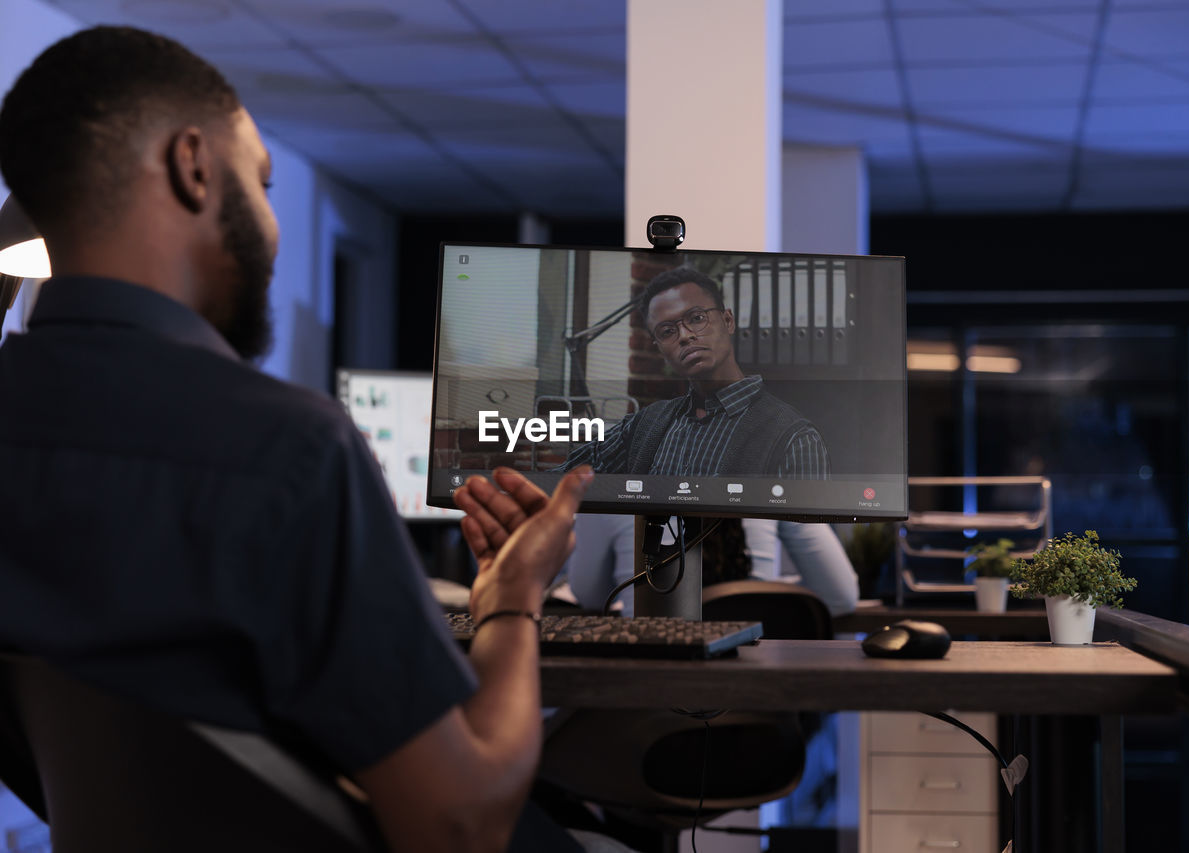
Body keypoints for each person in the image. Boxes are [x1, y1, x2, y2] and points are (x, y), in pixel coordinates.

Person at [0, 26, 621, 853]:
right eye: (260, 181)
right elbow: (460, 825)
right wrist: (515, 595)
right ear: (193, 165)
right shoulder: (287, 450)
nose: (274, 225)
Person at [556, 267, 830, 479]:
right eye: (667, 332)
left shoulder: (793, 437)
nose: (685, 336)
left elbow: (807, 536)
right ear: (659, 348)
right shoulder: (644, 426)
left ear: (728, 321)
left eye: (696, 318)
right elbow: (561, 480)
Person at [567, 514, 859, 617]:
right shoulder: (771, 477)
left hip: (647, 708)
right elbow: (840, 595)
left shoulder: (616, 480)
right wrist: (768, 594)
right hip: (755, 711)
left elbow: (589, 596)